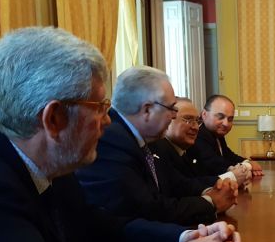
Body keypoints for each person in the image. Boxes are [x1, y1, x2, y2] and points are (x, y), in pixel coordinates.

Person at [0, 27, 241, 242]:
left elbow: (101, 228)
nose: (109, 120)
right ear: (54, 119)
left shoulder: (55, 164)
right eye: (99, 106)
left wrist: (184, 238)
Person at [76, 67, 237, 226]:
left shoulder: (152, 140)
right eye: (171, 108)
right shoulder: (111, 141)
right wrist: (210, 203)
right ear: (147, 110)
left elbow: (177, 183)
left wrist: (216, 187)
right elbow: (149, 208)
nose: (175, 115)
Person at [150, 97, 251, 187]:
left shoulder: (183, 149)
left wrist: (233, 176)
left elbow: (196, 179)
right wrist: (231, 177)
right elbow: (183, 187)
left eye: (197, 121)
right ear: (168, 120)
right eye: (188, 119)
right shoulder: (157, 151)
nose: (195, 127)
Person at [189, 94, 264, 178]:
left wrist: (247, 161)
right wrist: (248, 166)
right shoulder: (198, 136)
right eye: (220, 117)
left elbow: (228, 155)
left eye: (230, 119)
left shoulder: (216, 134)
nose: (226, 123)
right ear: (204, 114)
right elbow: (216, 164)